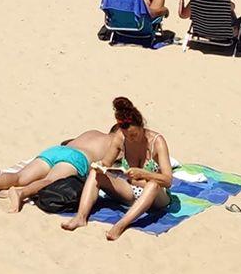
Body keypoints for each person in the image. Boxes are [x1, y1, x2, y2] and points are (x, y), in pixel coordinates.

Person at [62, 97, 174, 241]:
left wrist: (144, 173)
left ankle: (120, 225)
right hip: (130, 190)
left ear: (141, 126)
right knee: (95, 173)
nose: (131, 139)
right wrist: (100, 166)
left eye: (134, 134)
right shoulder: (120, 137)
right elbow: (106, 163)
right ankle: (80, 217)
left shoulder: (157, 141)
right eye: (127, 136)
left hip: (156, 196)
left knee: (153, 184)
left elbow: (168, 180)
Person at [0, 124, 124, 213]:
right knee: (49, 181)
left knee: (19, 177)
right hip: (77, 159)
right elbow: (116, 166)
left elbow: (67, 142)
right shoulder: (117, 145)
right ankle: (20, 193)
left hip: (56, 151)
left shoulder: (92, 131)